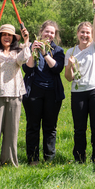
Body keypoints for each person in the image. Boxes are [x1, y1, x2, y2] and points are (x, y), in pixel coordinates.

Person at [65, 0, 95, 164]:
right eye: (82, 32)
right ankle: (79, 158)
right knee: (79, 129)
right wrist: (69, 66)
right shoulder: (71, 52)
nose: (85, 35)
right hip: (78, 93)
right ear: (77, 34)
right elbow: (68, 78)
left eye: (87, 33)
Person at [0, 24, 30, 167]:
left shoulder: (17, 52)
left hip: (15, 94)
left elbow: (23, 59)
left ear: (13, 38)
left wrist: (27, 41)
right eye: (4, 35)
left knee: (12, 131)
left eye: (10, 35)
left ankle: (9, 161)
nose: (6, 37)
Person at [23, 21, 64, 165]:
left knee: (50, 127)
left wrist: (44, 54)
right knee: (33, 126)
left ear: (55, 35)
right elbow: (27, 69)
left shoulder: (58, 50)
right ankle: (33, 159)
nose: (49, 35)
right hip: (34, 91)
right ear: (41, 31)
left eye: (52, 32)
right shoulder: (29, 47)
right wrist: (32, 51)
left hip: (52, 93)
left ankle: (49, 159)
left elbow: (57, 68)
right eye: (47, 31)